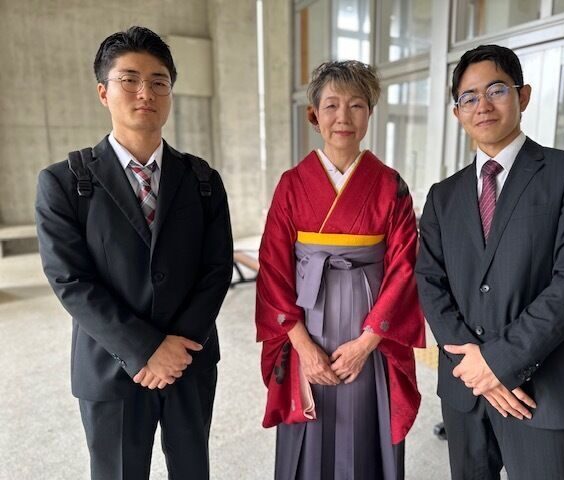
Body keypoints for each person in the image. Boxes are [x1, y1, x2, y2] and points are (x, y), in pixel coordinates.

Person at [35, 26, 233, 480]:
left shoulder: (202, 180)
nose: (146, 92)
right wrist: (145, 349)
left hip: (188, 361)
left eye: (159, 81)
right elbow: (70, 280)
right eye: (129, 79)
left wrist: (176, 347)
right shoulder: (64, 182)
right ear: (103, 92)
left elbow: (217, 268)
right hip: (111, 365)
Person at [415, 44, 564, 480]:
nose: (482, 105)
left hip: (544, 390)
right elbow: (430, 281)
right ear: (457, 113)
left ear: (523, 96)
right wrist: (475, 369)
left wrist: (498, 363)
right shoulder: (443, 196)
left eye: (496, 90)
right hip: (465, 388)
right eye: (469, 97)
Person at [255, 60, 425, 479]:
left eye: (356, 105)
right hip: (305, 327)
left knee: (366, 432)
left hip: (371, 332)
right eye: (331, 105)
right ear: (314, 115)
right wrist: (301, 345)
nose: (343, 117)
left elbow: (404, 267)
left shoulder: (390, 185)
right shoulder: (292, 184)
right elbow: (273, 268)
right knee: (309, 436)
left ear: (370, 113)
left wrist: (367, 342)